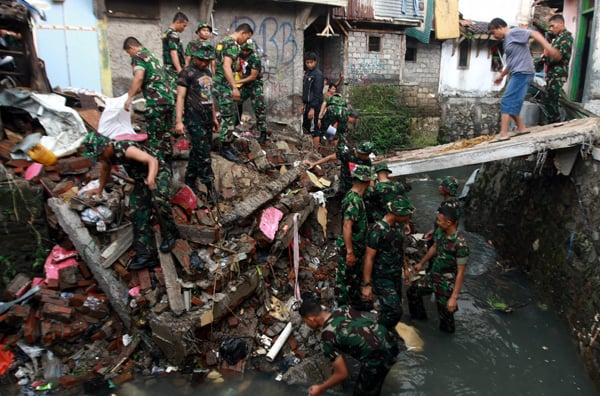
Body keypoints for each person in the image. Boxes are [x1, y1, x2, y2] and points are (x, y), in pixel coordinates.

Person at [80, 132, 180, 270]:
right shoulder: (107, 157)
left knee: (159, 200)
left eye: (99, 154)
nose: (98, 158)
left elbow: (153, 161)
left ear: (105, 148)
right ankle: (146, 255)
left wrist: (151, 179)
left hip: (158, 172)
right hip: (140, 179)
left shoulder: (125, 148)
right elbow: (105, 169)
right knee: (137, 211)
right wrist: (99, 189)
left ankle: (170, 233)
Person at [299, 296, 399, 396]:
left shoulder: (327, 337)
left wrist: (320, 388)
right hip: (391, 341)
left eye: (305, 321)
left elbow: (342, 374)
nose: (306, 324)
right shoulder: (343, 308)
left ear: (311, 319)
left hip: (378, 357)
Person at [488, 17, 560, 141]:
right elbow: (511, 63)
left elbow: (535, 33)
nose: (494, 36)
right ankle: (522, 128)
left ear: (499, 27)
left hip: (523, 72)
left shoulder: (513, 32)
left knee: (507, 100)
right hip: (518, 72)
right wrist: (501, 76)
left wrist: (549, 48)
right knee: (513, 103)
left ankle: (503, 133)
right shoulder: (507, 40)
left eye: (494, 32)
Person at [407, 205, 469, 333]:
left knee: (446, 318)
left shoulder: (460, 244)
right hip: (432, 276)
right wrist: (421, 264)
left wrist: (454, 297)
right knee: (412, 291)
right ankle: (419, 320)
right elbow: (434, 247)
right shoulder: (440, 232)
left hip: (446, 283)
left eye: (439, 221)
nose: (437, 223)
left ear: (449, 222)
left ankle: (447, 342)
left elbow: (461, 273)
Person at [362, 195, 415, 332]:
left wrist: (406, 268)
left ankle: (386, 332)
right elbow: (369, 258)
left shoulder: (397, 227)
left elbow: (399, 248)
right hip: (382, 277)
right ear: (398, 213)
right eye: (407, 215)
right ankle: (379, 333)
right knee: (394, 310)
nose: (409, 218)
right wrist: (367, 284)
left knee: (393, 307)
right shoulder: (377, 231)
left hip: (396, 274)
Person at [175, 42, 219, 201]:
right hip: (194, 120)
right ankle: (211, 188)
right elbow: (180, 97)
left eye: (207, 60)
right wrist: (179, 121)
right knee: (204, 155)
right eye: (201, 60)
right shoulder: (186, 73)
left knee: (196, 153)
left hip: (207, 119)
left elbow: (210, 97)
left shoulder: (207, 72)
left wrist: (214, 117)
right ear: (194, 57)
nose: (204, 63)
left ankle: (190, 181)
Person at [123, 36, 175, 161]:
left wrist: (129, 97)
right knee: (165, 135)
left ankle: (157, 173)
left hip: (156, 102)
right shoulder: (150, 56)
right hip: (168, 100)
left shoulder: (138, 57)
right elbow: (148, 80)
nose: (129, 55)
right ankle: (167, 169)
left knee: (155, 140)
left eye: (128, 52)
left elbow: (139, 77)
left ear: (131, 47)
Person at [213, 23, 254, 163]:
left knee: (227, 114)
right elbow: (226, 66)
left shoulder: (222, 41)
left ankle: (227, 145)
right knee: (228, 116)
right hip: (225, 85)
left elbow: (217, 64)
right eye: (247, 37)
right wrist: (234, 87)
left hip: (219, 82)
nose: (245, 41)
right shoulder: (231, 43)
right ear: (243, 33)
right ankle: (224, 148)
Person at [335, 164, 373, 309]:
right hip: (350, 247)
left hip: (356, 246)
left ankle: (355, 303)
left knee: (354, 276)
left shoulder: (355, 197)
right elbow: (347, 225)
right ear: (367, 181)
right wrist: (349, 252)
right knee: (344, 278)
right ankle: (341, 308)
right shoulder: (354, 200)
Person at [535, 14, 573, 124]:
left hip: (558, 73)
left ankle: (556, 121)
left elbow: (558, 56)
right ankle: (554, 120)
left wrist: (544, 58)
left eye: (553, 26)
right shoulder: (557, 39)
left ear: (561, 24)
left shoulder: (566, 37)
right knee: (549, 98)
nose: (551, 29)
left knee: (551, 98)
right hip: (552, 72)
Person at [236, 38, 268, 144]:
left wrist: (238, 81)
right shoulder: (240, 55)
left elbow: (253, 77)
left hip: (255, 85)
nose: (245, 52)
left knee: (259, 108)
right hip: (246, 85)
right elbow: (238, 68)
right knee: (237, 100)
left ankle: (263, 133)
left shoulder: (255, 59)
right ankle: (236, 124)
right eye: (243, 50)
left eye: (247, 50)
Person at [423, 176, 463, 242]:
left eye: (441, 185)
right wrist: (434, 231)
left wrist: (436, 239)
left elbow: (449, 226)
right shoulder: (455, 202)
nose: (439, 187)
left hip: (443, 240)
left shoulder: (448, 206)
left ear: (446, 189)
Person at [302, 52, 324, 149]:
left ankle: (315, 152)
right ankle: (308, 150)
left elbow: (317, 93)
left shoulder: (318, 75)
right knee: (306, 127)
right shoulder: (307, 73)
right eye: (307, 62)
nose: (309, 64)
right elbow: (305, 90)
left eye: (311, 62)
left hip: (314, 106)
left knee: (314, 129)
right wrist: (303, 104)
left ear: (315, 62)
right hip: (307, 104)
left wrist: (312, 109)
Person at [162, 12, 189, 92]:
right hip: (173, 70)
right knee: (176, 93)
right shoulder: (173, 34)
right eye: (184, 26)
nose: (184, 28)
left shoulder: (166, 33)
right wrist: (179, 70)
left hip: (168, 68)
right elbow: (173, 53)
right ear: (177, 22)